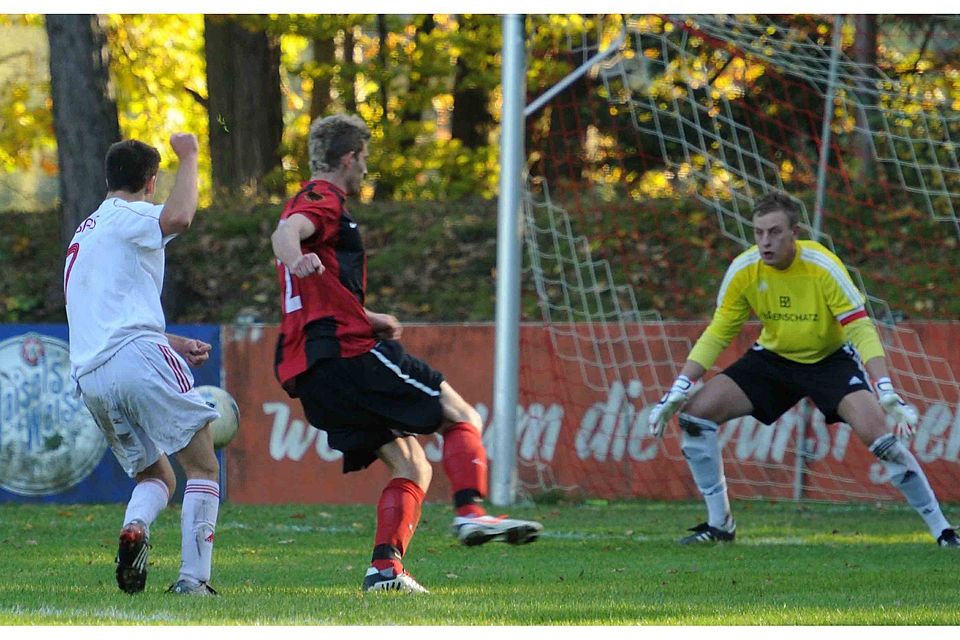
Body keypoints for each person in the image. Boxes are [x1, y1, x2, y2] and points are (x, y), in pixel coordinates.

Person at [271, 113, 544, 594]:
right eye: (364, 162)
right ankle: (471, 513)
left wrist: (365, 313)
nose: (365, 172)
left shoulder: (313, 201)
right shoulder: (323, 198)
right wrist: (295, 256)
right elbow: (286, 235)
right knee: (461, 416)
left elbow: (317, 281)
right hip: (345, 355)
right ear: (350, 158)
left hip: (314, 369)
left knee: (413, 464)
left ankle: (385, 570)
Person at [648, 191, 958, 548]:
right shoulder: (745, 269)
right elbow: (720, 330)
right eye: (759, 232)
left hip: (830, 359)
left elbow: (859, 325)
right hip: (774, 359)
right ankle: (720, 526)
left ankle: (943, 531)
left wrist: (884, 386)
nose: (766, 241)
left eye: (775, 232)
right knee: (694, 416)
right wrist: (682, 384)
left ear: (795, 232)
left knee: (880, 438)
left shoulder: (822, 265)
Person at [64, 134, 224, 596]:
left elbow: (109, 312)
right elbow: (180, 217)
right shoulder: (133, 214)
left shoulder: (86, 231)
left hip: (91, 375)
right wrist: (190, 155)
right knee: (203, 467)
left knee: (157, 475)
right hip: (136, 357)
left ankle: (135, 526)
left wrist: (171, 341)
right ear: (151, 183)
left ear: (107, 177)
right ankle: (193, 581)